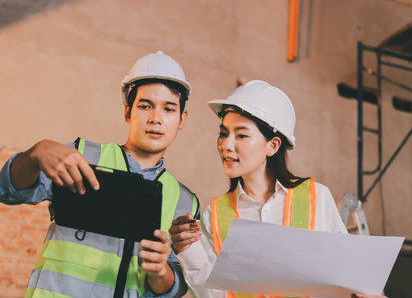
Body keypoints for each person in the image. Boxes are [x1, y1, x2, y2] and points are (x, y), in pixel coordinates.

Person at [0, 51, 200, 297]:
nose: (156, 119)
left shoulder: (184, 202)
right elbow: (7, 190)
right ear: (127, 112)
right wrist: (35, 154)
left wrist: (159, 272)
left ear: (182, 119)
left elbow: (175, 286)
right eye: (145, 106)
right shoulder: (81, 156)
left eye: (169, 109)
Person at [169, 80, 387, 298]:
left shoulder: (316, 198)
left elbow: (348, 275)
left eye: (241, 135)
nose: (226, 145)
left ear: (272, 145)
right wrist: (187, 250)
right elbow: (214, 294)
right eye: (224, 133)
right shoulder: (214, 215)